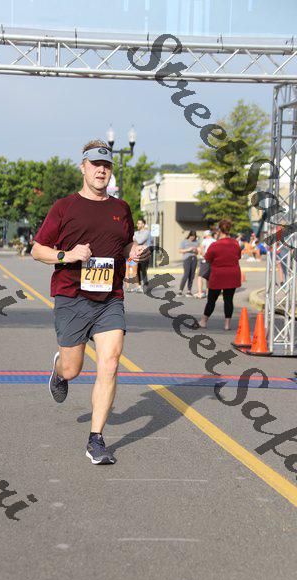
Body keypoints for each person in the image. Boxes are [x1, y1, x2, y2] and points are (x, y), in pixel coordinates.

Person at [31, 139, 150, 465]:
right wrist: (68, 255)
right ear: (83, 167)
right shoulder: (64, 207)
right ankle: (60, 370)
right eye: (96, 164)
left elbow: (124, 245)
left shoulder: (121, 208)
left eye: (106, 165)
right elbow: (38, 250)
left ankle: (96, 439)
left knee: (110, 362)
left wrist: (135, 252)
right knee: (74, 368)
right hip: (72, 296)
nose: (101, 170)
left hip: (109, 298)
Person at [199, 219, 241, 331]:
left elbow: (208, 259)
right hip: (232, 274)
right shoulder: (236, 243)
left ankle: (203, 321)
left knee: (212, 299)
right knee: (229, 300)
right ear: (229, 229)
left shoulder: (215, 245)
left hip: (218, 275)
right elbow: (238, 256)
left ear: (219, 230)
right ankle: (227, 325)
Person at [178, 230, 199, 297]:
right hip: (187, 259)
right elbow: (180, 250)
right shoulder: (184, 242)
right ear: (189, 235)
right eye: (191, 236)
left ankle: (189, 291)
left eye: (194, 237)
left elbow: (197, 253)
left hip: (194, 259)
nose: (192, 238)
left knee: (192, 275)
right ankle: (180, 291)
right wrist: (188, 249)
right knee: (186, 274)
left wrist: (196, 251)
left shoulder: (196, 242)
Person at [195, 229, 214, 299]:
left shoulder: (205, 241)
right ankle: (209, 293)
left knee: (200, 276)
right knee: (208, 277)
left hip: (204, 260)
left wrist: (200, 251)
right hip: (212, 261)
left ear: (206, 235)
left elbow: (201, 250)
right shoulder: (214, 241)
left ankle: (200, 293)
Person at [133, 217, 150, 293]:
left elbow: (140, 241)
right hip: (137, 253)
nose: (137, 225)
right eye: (137, 223)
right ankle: (139, 286)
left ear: (143, 224)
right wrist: (135, 238)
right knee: (137, 270)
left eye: (139, 223)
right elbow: (132, 239)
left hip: (144, 253)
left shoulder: (146, 232)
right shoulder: (136, 232)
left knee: (143, 270)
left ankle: (145, 286)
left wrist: (135, 238)